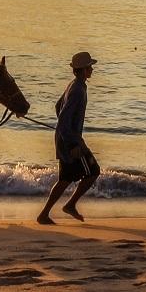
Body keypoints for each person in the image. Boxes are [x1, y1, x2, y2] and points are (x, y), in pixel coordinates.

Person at [38, 50, 99, 223]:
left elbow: (58, 107)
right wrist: (72, 143)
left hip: (66, 138)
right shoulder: (78, 90)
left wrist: (65, 130)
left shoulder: (74, 85)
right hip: (70, 142)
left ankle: (45, 214)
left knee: (65, 178)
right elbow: (63, 116)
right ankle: (68, 205)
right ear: (83, 69)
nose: (92, 70)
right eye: (90, 67)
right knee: (93, 171)